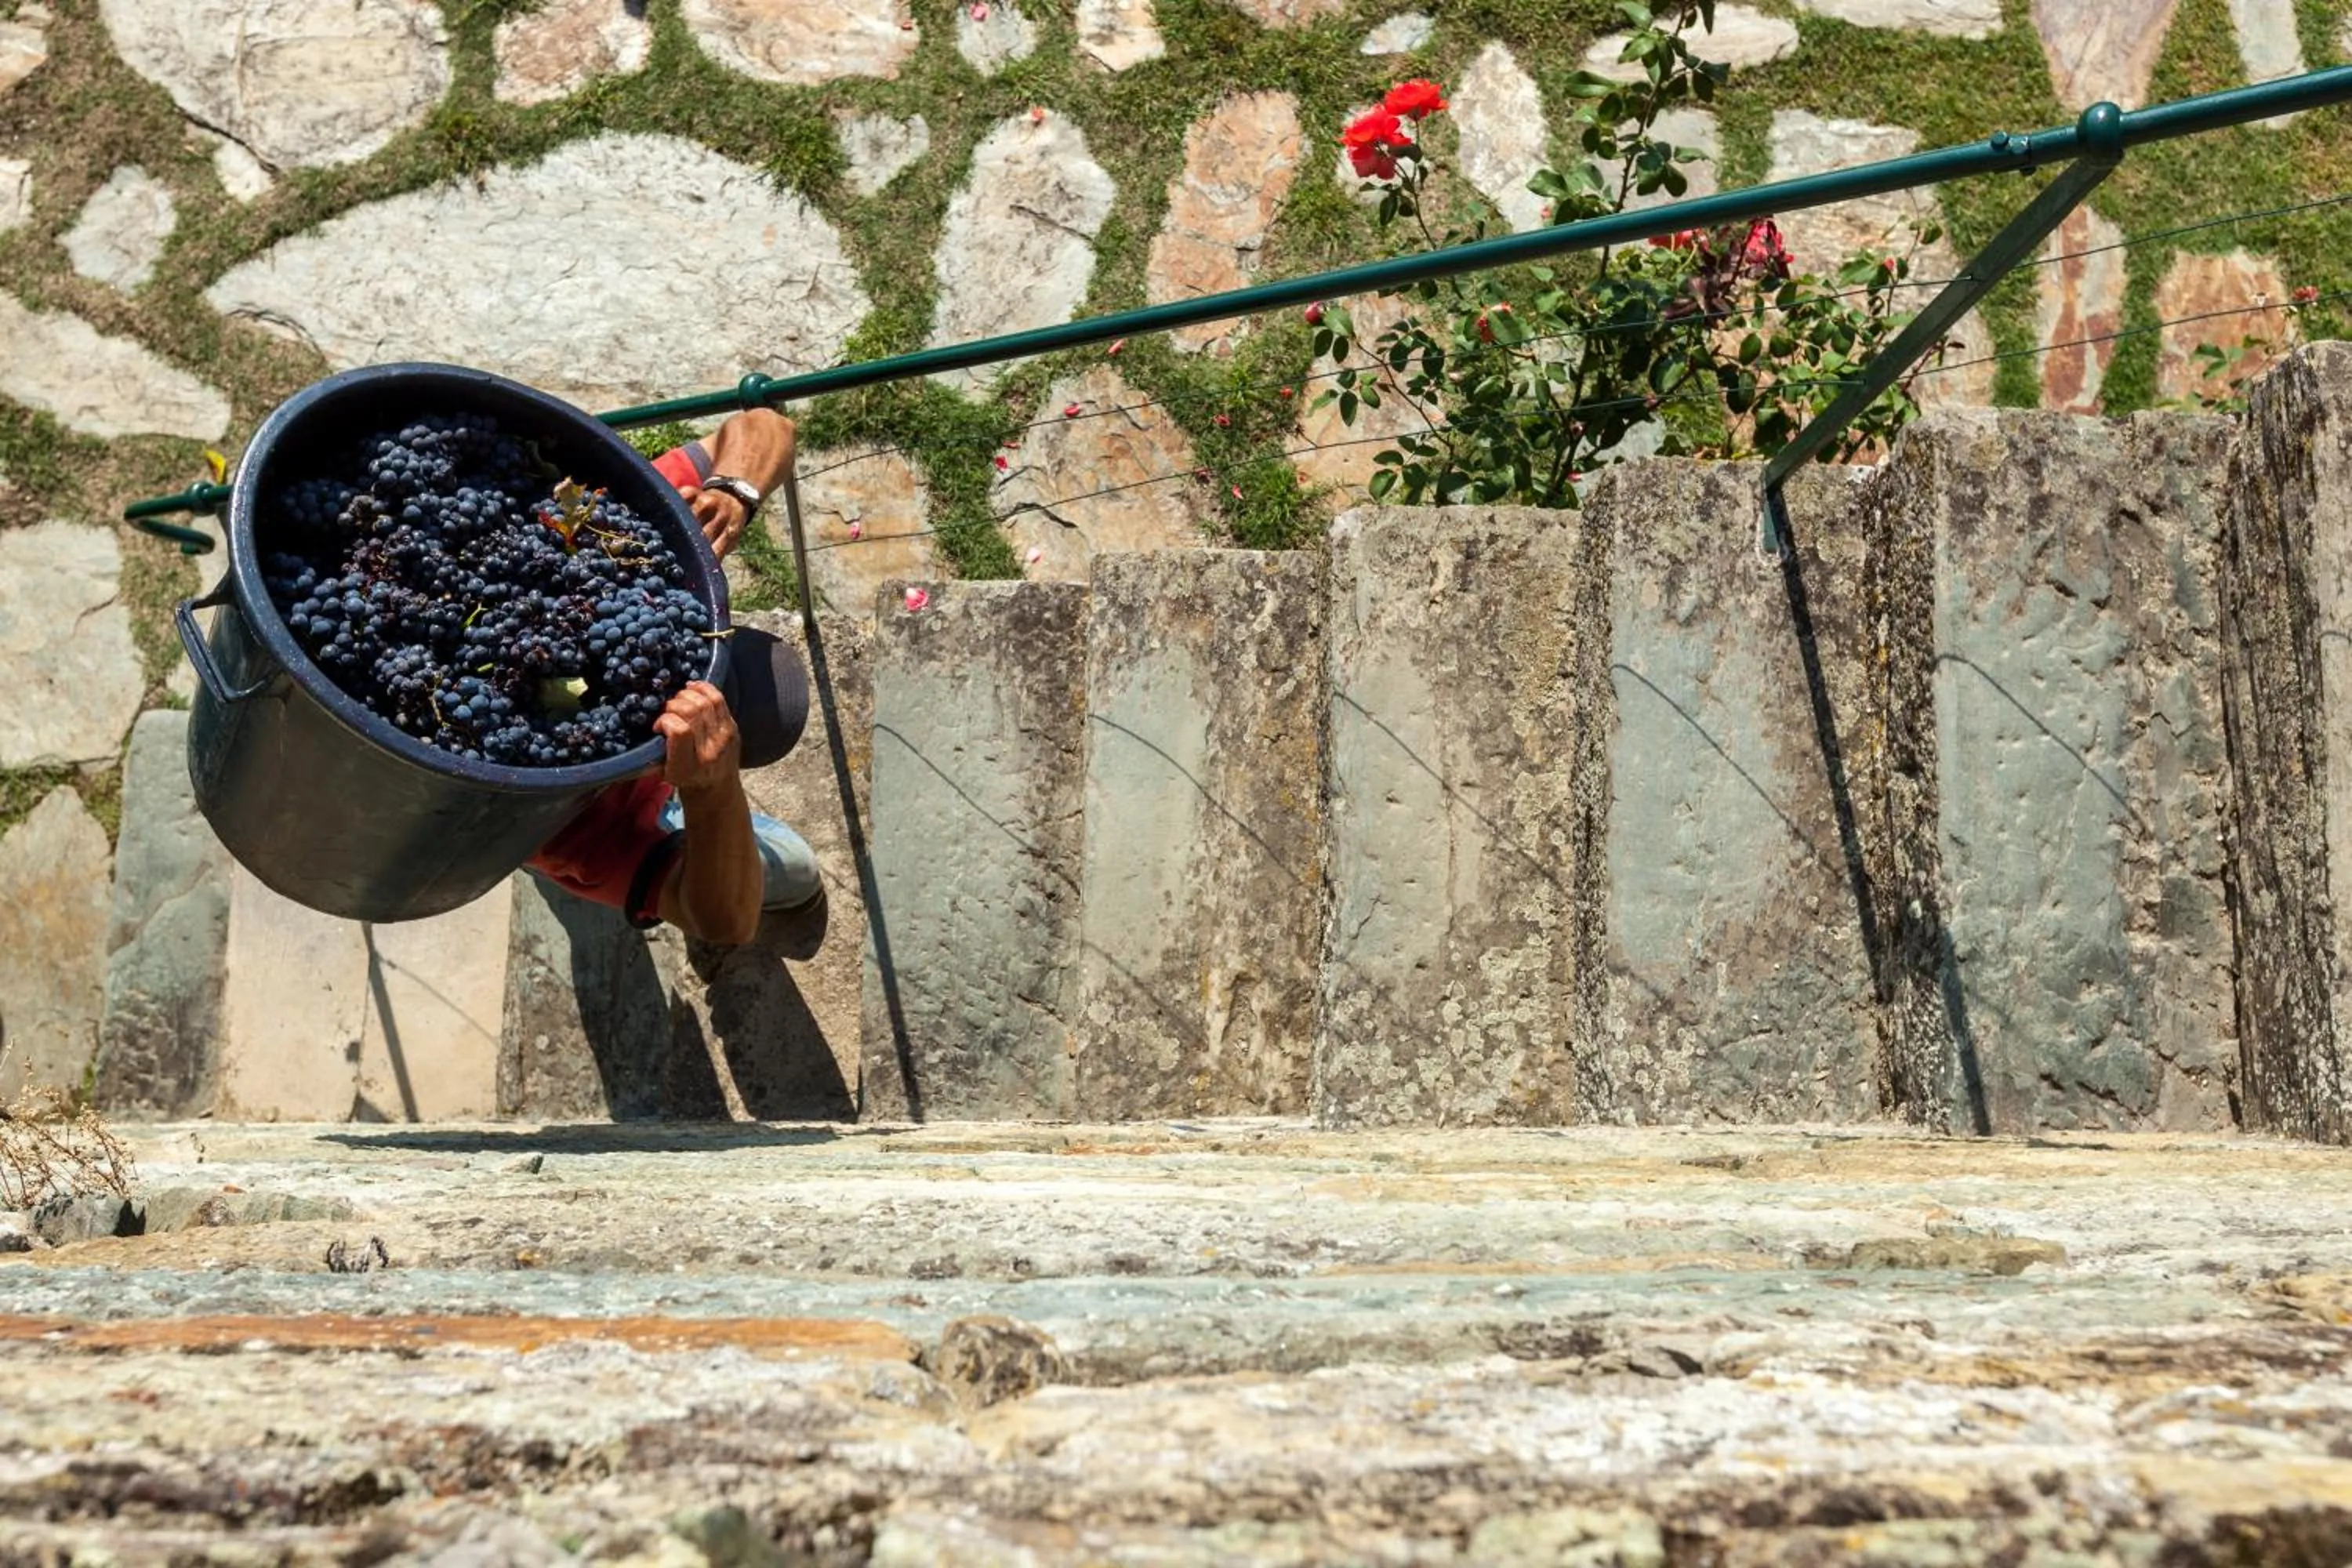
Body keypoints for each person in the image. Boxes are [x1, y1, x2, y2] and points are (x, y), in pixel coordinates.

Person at [523, 408, 819, 946]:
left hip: (672, 793)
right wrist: (732, 493)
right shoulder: (574, 840)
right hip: (540, 805)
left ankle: (683, 819)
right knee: (796, 872)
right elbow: (725, 923)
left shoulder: (618, 552)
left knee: (780, 870)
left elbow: (768, 425)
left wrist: (713, 791)